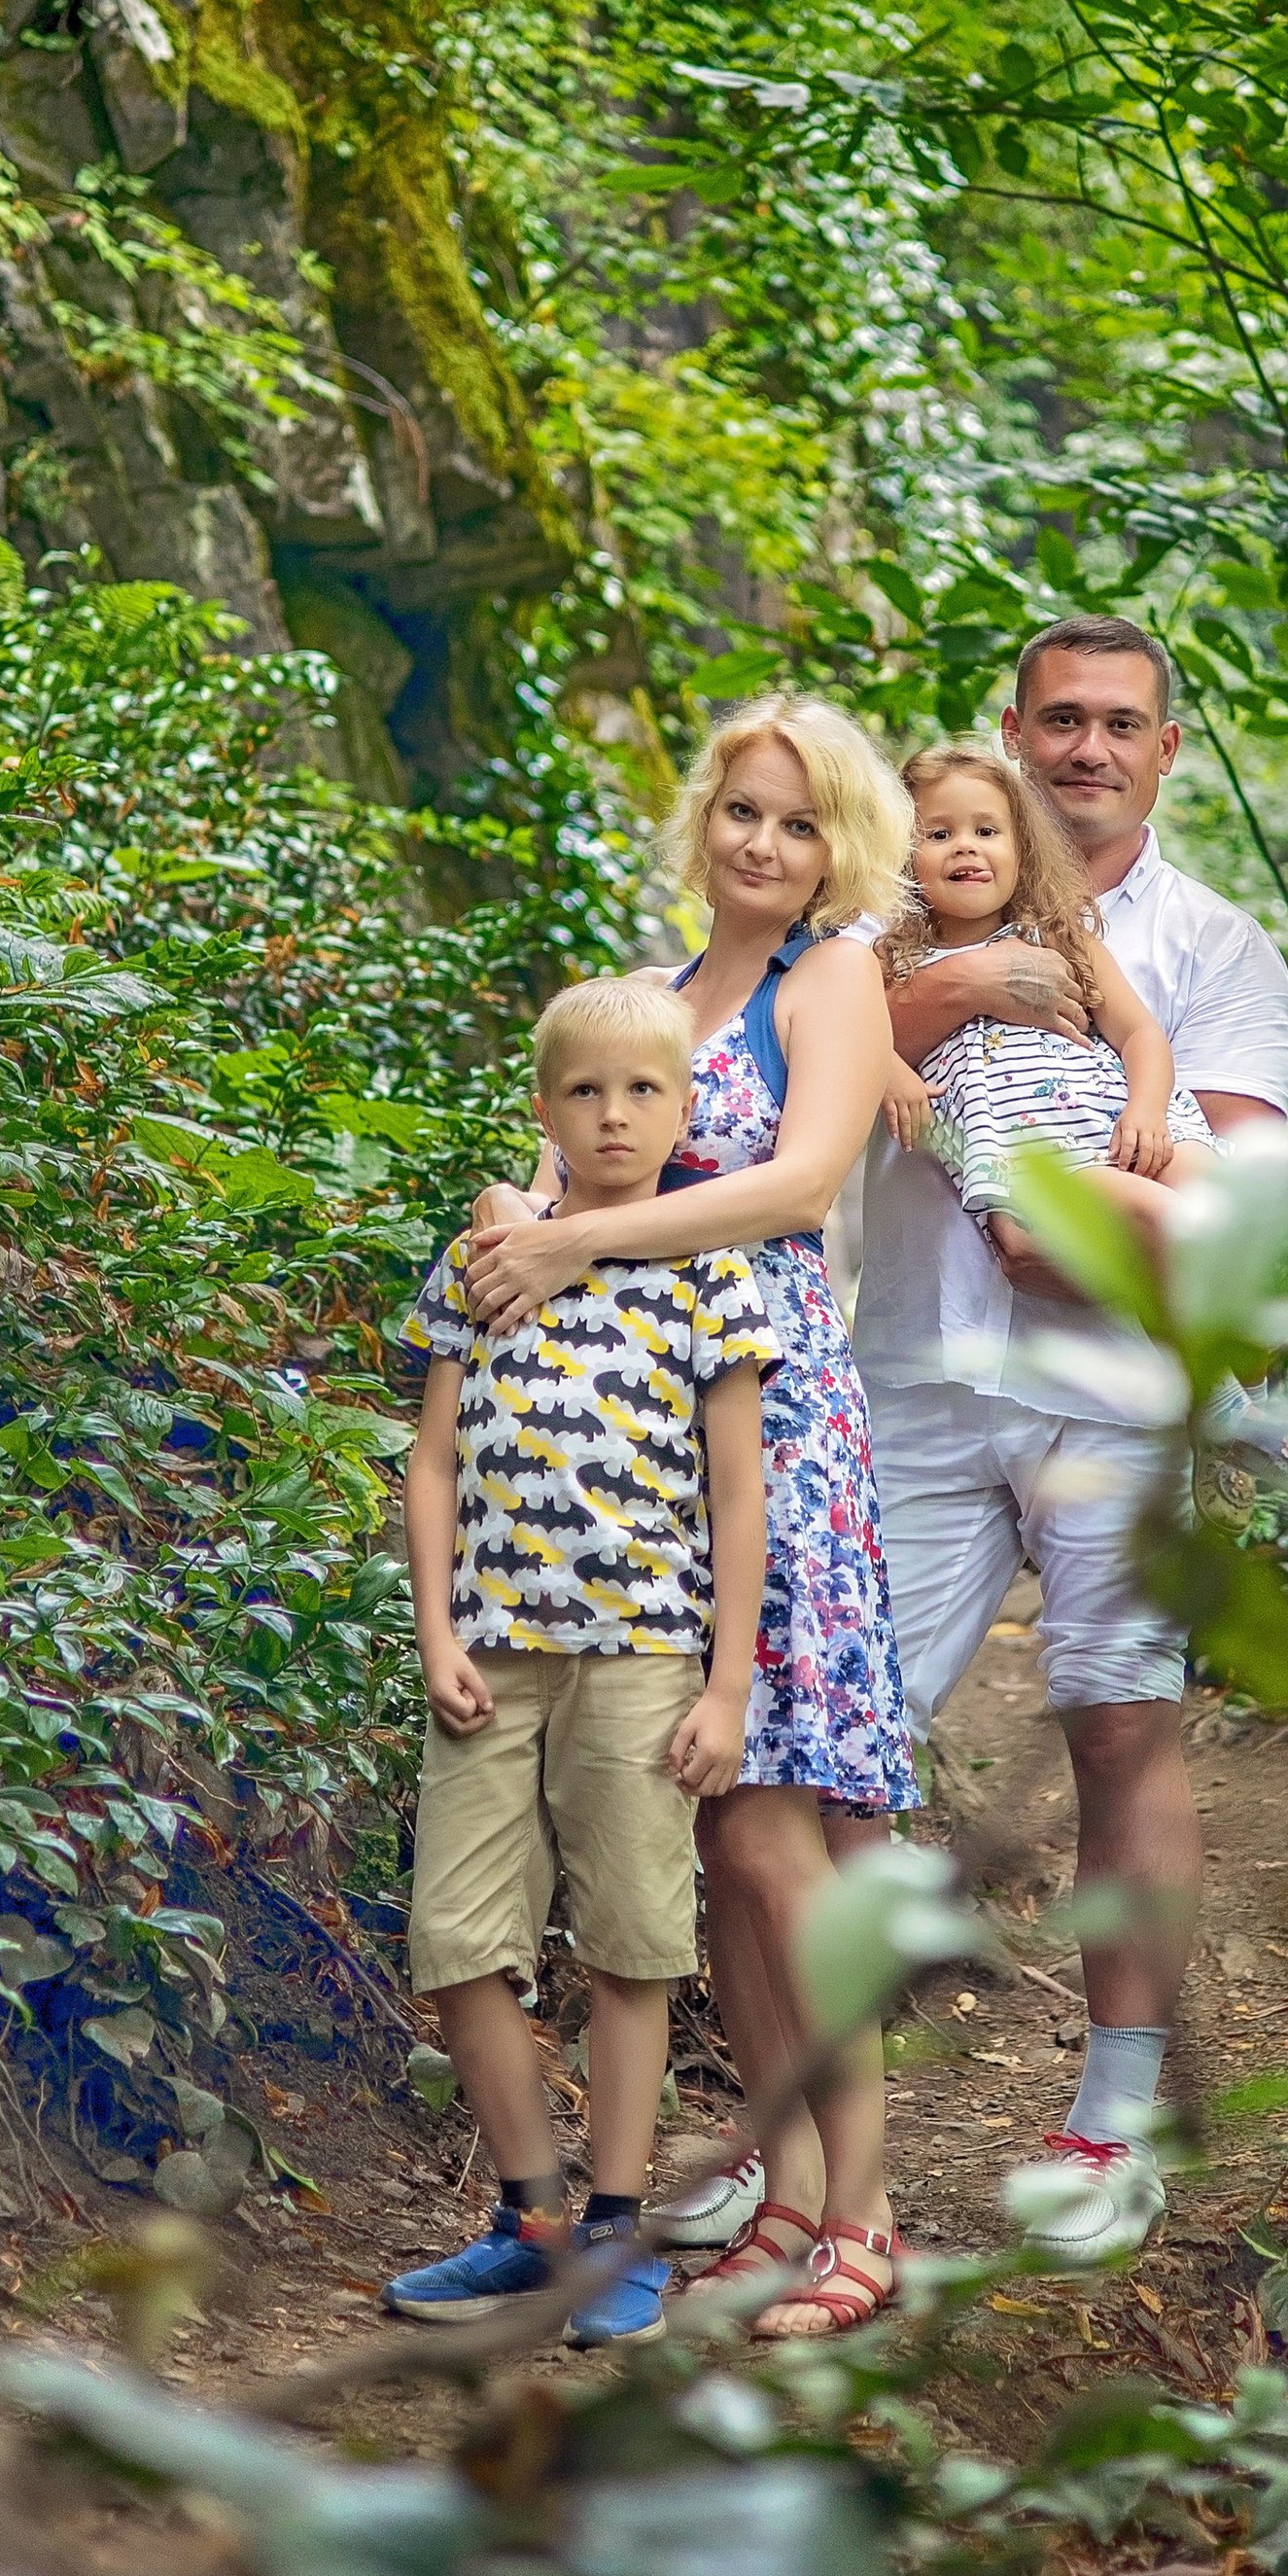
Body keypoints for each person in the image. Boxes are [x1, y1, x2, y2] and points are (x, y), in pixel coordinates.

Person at [462, 698, 919, 2342]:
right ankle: (786, 2192)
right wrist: (519, 1218)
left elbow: (801, 1186)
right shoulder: (647, 1001)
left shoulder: (836, 975)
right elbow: (558, 1172)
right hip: (629, 1455)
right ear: (703, 820)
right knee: (711, 1829)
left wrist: (592, 1244)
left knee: (788, 1839)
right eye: (744, 812)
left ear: (835, 847)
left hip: (774, 1421)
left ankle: (868, 2216)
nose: (766, 846)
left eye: (800, 824)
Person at [851, 616, 1288, 2268]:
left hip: (1115, 1398)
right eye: (1060, 720)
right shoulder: (899, 906)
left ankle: (1114, 2117)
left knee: (1123, 1733)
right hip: (909, 1374)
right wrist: (951, 989)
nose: (1087, 748)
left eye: (1122, 723)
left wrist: (1090, 1203)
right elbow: (777, 1084)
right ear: (1014, 735)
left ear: (1167, 749)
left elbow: (1238, 1200)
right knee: (832, 1750)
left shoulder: (1208, 948)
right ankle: (813, 2152)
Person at [382, 975, 775, 2347]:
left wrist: (727, 1687)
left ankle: (616, 2230)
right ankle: (531, 2218)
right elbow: (432, 1464)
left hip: (646, 1658)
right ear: (545, 1112)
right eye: (587, 1092)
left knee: (631, 1946)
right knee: (457, 1943)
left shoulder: (710, 1277)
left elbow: (739, 1497)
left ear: (683, 1114)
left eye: (645, 1091)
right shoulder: (480, 1264)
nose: (616, 1116)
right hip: (492, 1657)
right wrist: (437, 1632)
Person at [880, 742, 1218, 1264]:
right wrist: (888, 1070)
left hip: (1128, 1118)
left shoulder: (1060, 937)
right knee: (1173, 1227)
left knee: (1218, 1210)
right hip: (1042, 1159)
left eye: (987, 831)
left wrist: (1147, 1109)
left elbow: (1139, 1034)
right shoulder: (890, 960)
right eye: (939, 834)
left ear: (1023, 848)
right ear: (901, 854)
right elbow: (842, 1042)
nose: (965, 847)